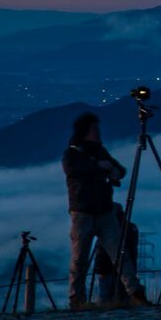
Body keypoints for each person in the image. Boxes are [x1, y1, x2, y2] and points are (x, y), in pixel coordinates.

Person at [64, 112, 148, 309]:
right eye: (94, 129)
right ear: (86, 131)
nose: (98, 133)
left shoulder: (97, 151)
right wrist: (102, 167)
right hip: (84, 212)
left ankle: (134, 292)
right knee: (81, 259)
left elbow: (119, 170)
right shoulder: (73, 154)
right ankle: (77, 300)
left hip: (103, 211)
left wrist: (110, 169)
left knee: (119, 254)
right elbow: (75, 170)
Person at [93, 204, 140, 305]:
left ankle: (107, 309)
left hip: (105, 268)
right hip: (123, 267)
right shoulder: (130, 227)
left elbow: (100, 250)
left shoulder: (106, 228)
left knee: (106, 297)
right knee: (124, 296)